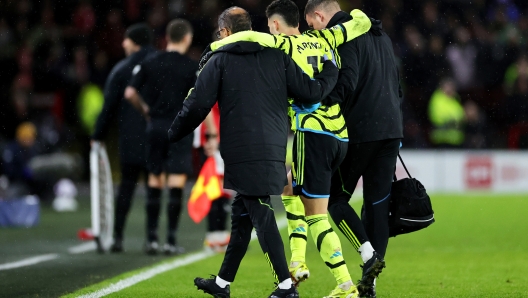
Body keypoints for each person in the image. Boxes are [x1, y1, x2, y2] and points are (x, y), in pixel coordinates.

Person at [168, 7, 339, 298]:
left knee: (259, 210)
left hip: (241, 147)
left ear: (224, 32)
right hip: (274, 145)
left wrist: (172, 134)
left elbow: (197, 103)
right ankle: (222, 283)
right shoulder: (277, 56)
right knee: (242, 214)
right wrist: (331, 70)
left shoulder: (220, 60)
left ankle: (286, 286)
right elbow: (310, 92)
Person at [207, 1, 371, 297]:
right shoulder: (325, 37)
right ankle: (297, 262)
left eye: (270, 26)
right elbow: (361, 24)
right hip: (340, 134)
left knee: (315, 214)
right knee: (289, 191)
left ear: (276, 25)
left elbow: (250, 38)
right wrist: (359, 15)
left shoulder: (280, 45)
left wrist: (218, 47)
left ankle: (345, 285)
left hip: (311, 133)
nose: (269, 30)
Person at [305, 0, 404, 296]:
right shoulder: (380, 35)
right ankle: (369, 284)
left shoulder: (343, 33)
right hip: (390, 128)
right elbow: (396, 83)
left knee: (335, 199)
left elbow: (345, 83)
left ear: (320, 16)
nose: (315, 34)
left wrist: (317, 105)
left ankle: (368, 254)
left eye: (313, 26)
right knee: (377, 206)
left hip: (361, 130)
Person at [124, 19, 197, 255]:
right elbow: (199, 100)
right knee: (176, 182)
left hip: (155, 126)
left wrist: (145, 110)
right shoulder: (191, 66)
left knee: (154, 179)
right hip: (179, 128)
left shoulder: (150, 61)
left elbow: (130, 92)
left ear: (167, 37)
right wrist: (212, 132)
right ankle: (171, 241)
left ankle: (152, 239)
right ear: (187, 38)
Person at [92, 23, 156, 253]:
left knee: (126, 188)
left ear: (135, 42)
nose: (123, 43)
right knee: (154, 189)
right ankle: (153, 238)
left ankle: (117, 237)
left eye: (126, 39)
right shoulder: (162, 63)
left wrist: (97, 135)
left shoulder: (122, 68)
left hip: (130, 137)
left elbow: (108, 106)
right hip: (155, 136)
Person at [428, 78, 465, 148]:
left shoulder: (455, 99)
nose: (451, 89)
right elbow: (437, 117)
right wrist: (456, 120)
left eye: (452, 87)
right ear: (442, 87)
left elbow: (461, 115)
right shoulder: (437, 99)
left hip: (456, 140)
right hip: (442, 139)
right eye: (448, 86)